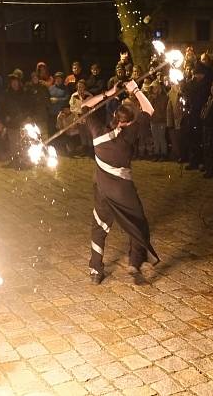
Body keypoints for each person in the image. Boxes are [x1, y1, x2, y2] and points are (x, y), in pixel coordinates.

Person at [80, 79, 159, 286]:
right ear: (130, 122)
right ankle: (135, 262)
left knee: (99, 226)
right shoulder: (129, 135)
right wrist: (136, 89)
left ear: (115, 117)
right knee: (137, 223)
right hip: (123, 191)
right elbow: (149, 109)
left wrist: (110, 93)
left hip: (102, 189)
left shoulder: (97, 132)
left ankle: (95, 270)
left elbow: (85, 106)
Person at [0, 73, 28, 166]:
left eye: (16, 82)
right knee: (13, 142)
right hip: (11, 122)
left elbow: (27, 106)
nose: (15, 84)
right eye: (13, 82)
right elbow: (3, 107)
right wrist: (5, 117)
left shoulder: (23, 93)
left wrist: (25, 116)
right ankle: (14, 159)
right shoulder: (7, 93)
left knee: (23, 141)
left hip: (22, 121)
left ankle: (23, 159)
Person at [69, 80, 93, 154]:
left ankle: (91, 148)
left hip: (87, 118)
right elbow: (72, 107)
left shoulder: (89, 95)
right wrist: (78, 115)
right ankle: (84, 147)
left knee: (89, 133)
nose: (80, 88)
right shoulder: (74, 96)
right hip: (78, 118)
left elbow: (91, 106)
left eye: (82, 86)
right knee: (82, 133)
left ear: (85, 87)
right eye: (79, 86)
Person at [147, 81, 169, 161]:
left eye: (155, 87)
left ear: (159, 88)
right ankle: (156, 154)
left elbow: (164, 108)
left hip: (161, 120)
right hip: (153, 121)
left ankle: (163, 154)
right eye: (153, 88)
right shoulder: (151, 97)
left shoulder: (164, 97)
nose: (154, 89)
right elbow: (149, 108)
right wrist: (153, 98)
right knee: (155, 138)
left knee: (161, 138)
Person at [166, 81, 184, 161]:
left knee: (180, 138)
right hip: (173, 121)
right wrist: (169, 122)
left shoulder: (181, 93)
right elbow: (169, 109)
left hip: (180, 120)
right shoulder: (170, 94)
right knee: (174, 138)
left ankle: (181, 155)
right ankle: (176, 154)